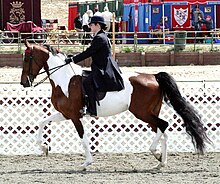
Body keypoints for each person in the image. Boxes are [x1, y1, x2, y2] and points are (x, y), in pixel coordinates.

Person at [65, 16, 124, 117]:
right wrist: (73, 57)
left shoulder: (100, 38)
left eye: (91, 25)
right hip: (101, 65)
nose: (90, 27)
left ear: (98, 25)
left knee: (87, 82)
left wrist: (73, 60)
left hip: (103, 67)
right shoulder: (101, 36)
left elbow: (89, 52)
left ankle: (92, 109)